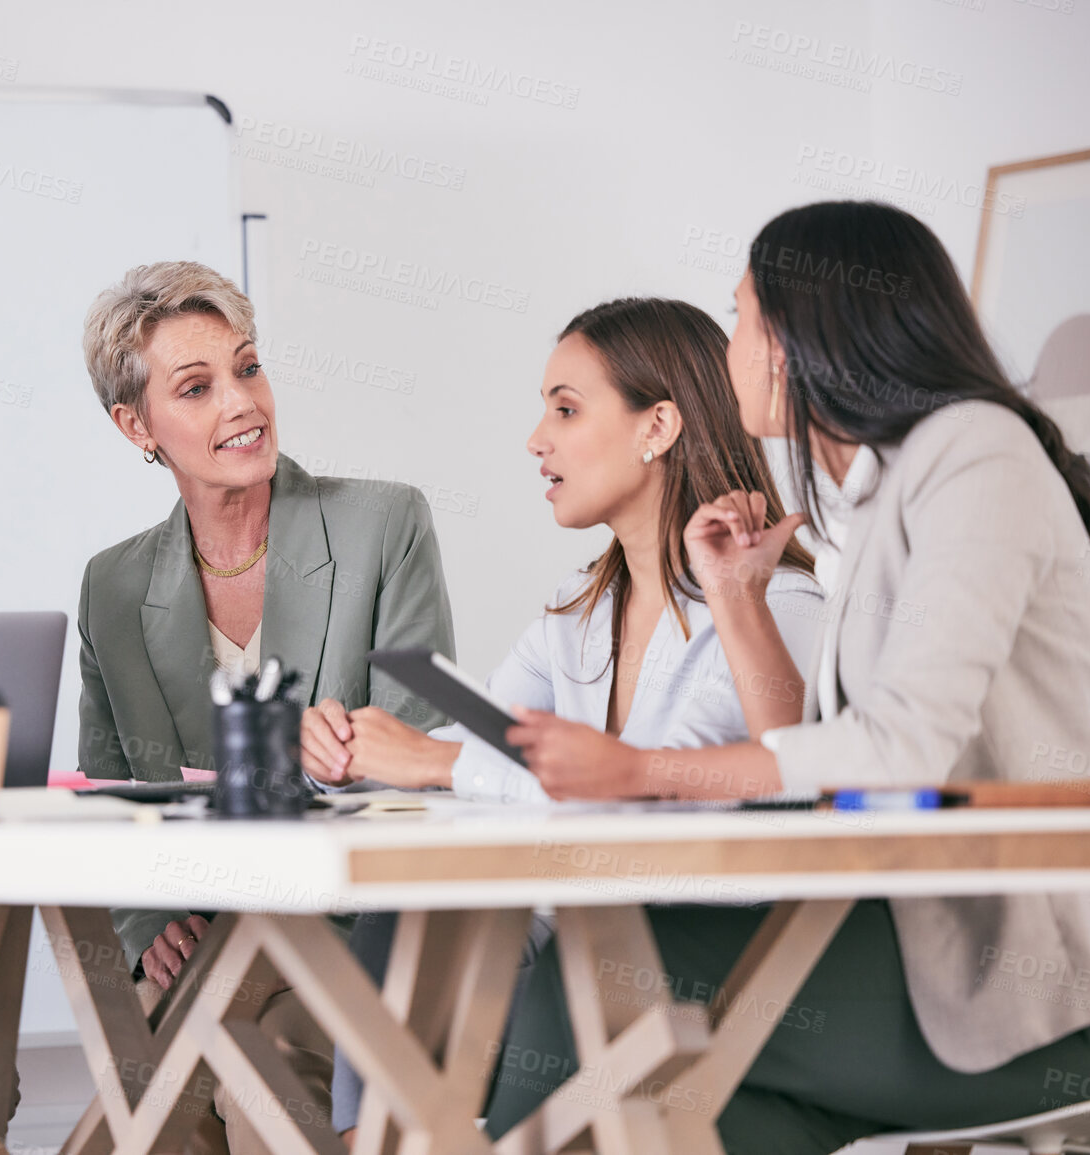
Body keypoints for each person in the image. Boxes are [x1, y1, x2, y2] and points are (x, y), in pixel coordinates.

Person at [483, 202, 1090, 1154]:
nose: (729, 342)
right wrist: (735, 595)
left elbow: (896, 751)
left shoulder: (975, 451)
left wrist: (640, 770)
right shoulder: (879, 490)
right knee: (685, 1113)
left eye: (739, 316)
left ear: (798, 334)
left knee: (601, 967)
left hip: (1034, 989)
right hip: (911, 942)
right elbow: (822, 759)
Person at [309, 297, 825, 1138]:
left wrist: (436, 763)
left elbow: (648, 801)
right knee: (400, 919)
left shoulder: (775, 609)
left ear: (657, 426)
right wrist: (348, 748)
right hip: (570, 950)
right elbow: (479, 746)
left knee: (402, 979)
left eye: (565, 408)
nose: (535, 438)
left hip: (691, 972)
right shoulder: (572, 612)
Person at [76, 261, 455, 1154]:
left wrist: (346, 753)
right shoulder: (113, 583)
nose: (242, 403)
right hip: (198, 940)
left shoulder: (382, 524)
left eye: (247, 368)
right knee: (159, 1081)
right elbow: (103, 791)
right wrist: (143, 927)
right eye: (197, 387)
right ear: (136, 426)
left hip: (347, 935)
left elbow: (420, 759)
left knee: (240, 1081)